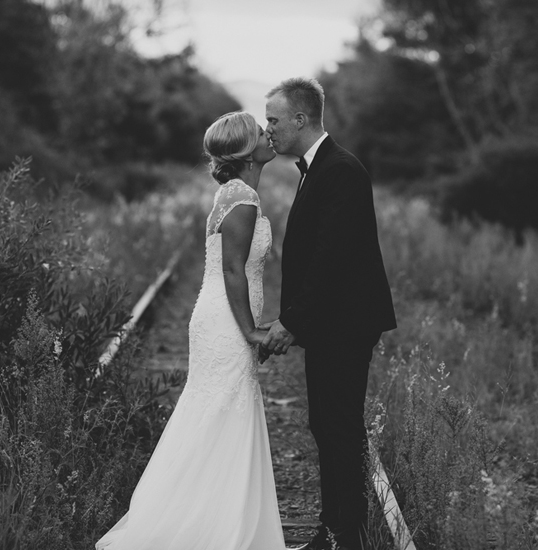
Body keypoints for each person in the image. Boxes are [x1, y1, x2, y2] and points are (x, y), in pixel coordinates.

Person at [95, 112, 286, 550]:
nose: (267, 135)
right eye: (260, 132)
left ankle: (217, 520)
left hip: (218, 315)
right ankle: (212, 529)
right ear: (244, 150)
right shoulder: (242, 200)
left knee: (216, 412)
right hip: (226, 321)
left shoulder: (237, 192)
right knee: (222, 410)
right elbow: (232, 270)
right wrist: (253, 332)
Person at [261, 78, 397, 550]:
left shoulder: (340, 169)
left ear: (301, 119)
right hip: (331, 323)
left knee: (338, 426)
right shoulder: (316, 167)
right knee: (327, 424)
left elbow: (330, 258)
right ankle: (333, 528)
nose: (269, 129)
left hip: (345, 324)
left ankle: (347, 536)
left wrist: (291, 321)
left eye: (274, 120)